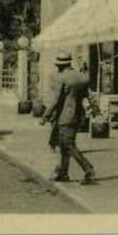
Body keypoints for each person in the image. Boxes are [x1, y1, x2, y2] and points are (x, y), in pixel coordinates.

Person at [40, 52, 97, 185]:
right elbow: (88, 96)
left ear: (61, 65)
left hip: (65, 116)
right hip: (78, 115)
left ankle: (88, 169)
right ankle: (63, 173)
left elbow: (55, 100)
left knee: (68, 144)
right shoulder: (82, 77)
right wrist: (95, 110)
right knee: (64, 144)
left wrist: (45, 116)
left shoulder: (62, 78)